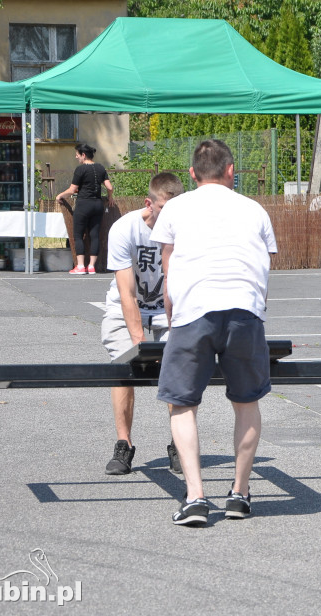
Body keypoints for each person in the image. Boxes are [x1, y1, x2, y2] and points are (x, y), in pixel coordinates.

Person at [150, 139, 277, 526]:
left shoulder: (175, 208)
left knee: (182, 403)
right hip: (245, 311)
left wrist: (174, 322)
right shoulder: (254, 209)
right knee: (247, 401)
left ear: (191, 174)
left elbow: (168, 271)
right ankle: (239, 493)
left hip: (194, 311)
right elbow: (267, 267)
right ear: (230, 171)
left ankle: (195, 498)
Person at [101, 172, 186, 476]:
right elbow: (127, 294)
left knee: (177, 368)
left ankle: (180, 442)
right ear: (149, 204)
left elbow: (185, 285)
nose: (172, 218)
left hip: (168, 308)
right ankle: (124, 445)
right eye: (165, 210)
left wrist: (178, 333)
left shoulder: (186, 229)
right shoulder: (124, 229)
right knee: (123, 366)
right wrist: (139, 345)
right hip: (129, 305)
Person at [56, 143, 113, 274]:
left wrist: (60, 195)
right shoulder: (100, 168)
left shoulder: (80, 170)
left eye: (77, 155)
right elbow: (109, 187)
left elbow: (72, 190)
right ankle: (92, 266)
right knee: (94, 236)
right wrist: (110, 198)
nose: (76, 157)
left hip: (83, 205)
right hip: (97, 205)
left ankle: (81, 266)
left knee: (78, 235)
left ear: (83, 155)